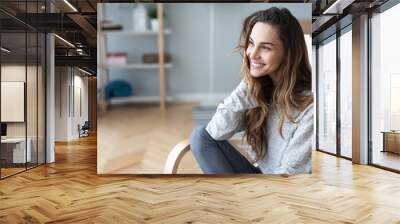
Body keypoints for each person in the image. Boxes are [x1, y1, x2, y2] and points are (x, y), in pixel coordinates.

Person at [190, 7, 314, 175]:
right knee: (200, 136)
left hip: (282, 192)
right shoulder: (261, 89)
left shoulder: (309, 108)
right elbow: (216, 132)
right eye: (251, 43)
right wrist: (247, 86)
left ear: (287, 54)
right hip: (259, 178)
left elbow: (290, 175)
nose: (252, 54)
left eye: (265, 47)